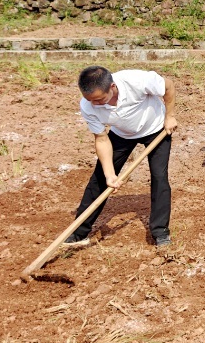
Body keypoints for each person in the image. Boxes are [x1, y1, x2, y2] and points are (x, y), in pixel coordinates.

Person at [68, 66, 177, 248]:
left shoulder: (136, 80)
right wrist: (110, 174)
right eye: (90, 100)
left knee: (159, 177)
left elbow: (168, 86)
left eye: (99, 99)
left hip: (156, 128)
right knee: (100, 178)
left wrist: (170, 116)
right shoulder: (88, 105)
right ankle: (79, 232)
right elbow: (101, 139)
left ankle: (160, 232)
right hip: (122, 134)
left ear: (112, 86)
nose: (95, 104)